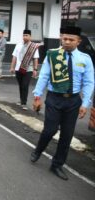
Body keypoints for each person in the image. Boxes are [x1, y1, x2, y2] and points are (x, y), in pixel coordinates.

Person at [31, 26, 94, 181]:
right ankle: (38, 150)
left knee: (67, 135)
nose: (66, 42)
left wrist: (85, 104)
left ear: (78, 41)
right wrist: (37, 96)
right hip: (54, 98)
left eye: (71, 39)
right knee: (50, 130)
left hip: (73, 101)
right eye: (64, 38)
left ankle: (57, 165)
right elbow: (44, 75)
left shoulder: (85, 59)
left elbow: (89, 82)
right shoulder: (53, 55)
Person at [10, 29, 40, 110]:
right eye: (24, 35)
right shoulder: (18, 45)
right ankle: (21, 100)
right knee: (21, 85)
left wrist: (35, 69)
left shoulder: (33, 46)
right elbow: (14, 57)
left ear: (30, 36)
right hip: (18, 68)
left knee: (25, 85)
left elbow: (35, 59)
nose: (25, 37)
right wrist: (12, 67)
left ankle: (24, 103)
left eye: (26, 35)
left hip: (28, 69)